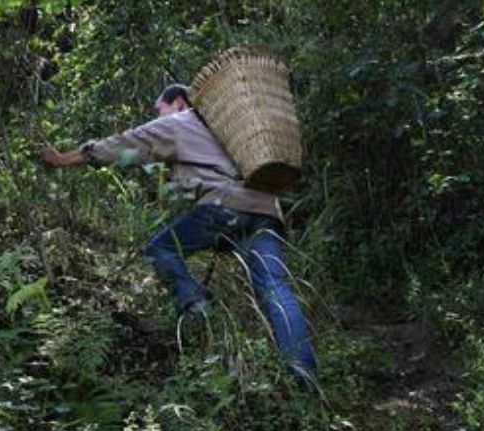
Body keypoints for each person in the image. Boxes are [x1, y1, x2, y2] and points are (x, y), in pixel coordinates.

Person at [39, 84, 317, 384]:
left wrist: (64, 159)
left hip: (224, 207)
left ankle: (198, 307)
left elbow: (127, 144)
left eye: (161, 109)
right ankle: (305, 378)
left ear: (179, 103)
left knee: (161, 250)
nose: (158, 116)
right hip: (265, 210)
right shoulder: (232, 128)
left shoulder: (181, 123)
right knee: (275, 290)